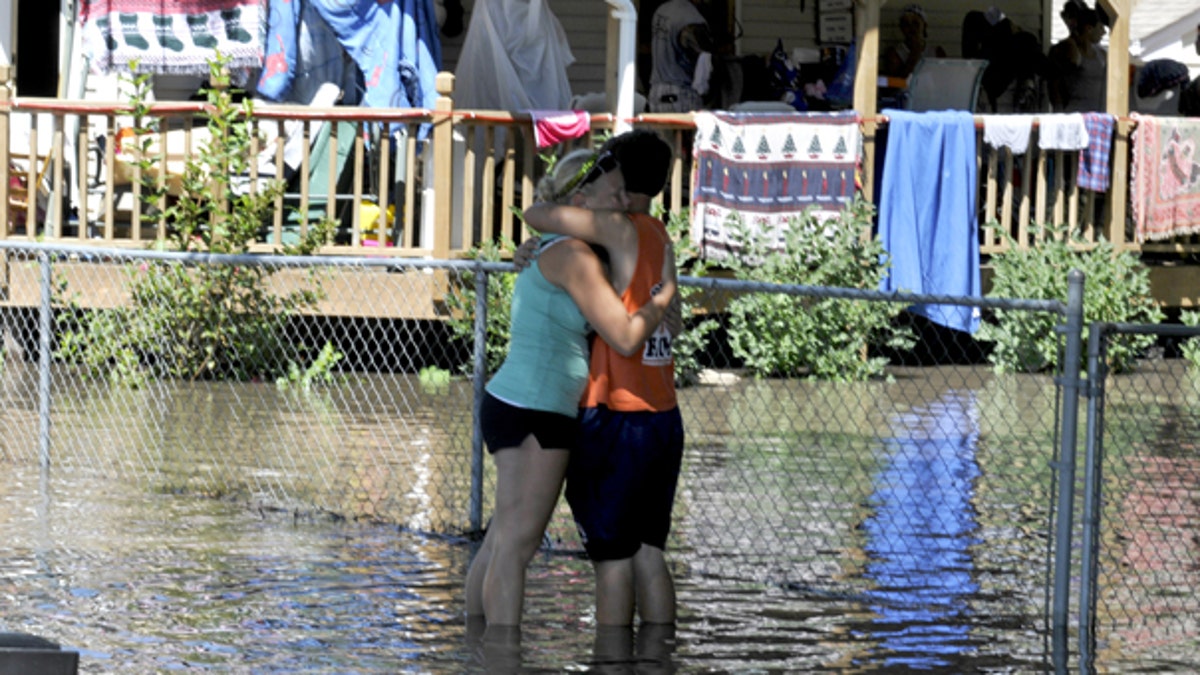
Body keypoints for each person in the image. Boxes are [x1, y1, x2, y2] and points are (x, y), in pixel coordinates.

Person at [463, 148, 677, 635]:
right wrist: (661, 299)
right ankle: (501, 659)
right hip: (535, 408)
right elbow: (624, 336)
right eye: (614, 191)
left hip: (521, 401)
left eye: (627, 189)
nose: (624, 199)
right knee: (516, 544)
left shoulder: (568, 249)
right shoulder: (575, 256)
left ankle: (473, 645)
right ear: (581, 198)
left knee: (501, 537)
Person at [520, 130, 685, 629]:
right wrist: (539, 250)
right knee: (649, 554)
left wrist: (540, 237)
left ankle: (611, 662)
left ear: (617, 176)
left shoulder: (615, 227)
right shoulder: (660, 236)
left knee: (612, 562)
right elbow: (672, 318)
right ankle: (660, 660)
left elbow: (536, 213)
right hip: (663, 415)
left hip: (614, 415)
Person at [648, 0, 714, 113]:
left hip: (656, 93)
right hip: (681, 94)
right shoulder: (691, 17)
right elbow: (704, 56)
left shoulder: (661, 10)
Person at [1048, 4, 1107, 112]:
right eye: (1100, 27)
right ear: (1089, 28)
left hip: (1097, 115)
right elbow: (1055, 84)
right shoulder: (1070, 48)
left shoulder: (1101, 54)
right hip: (1075, 113)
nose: (1104, 32)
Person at [881, 4, 946, 79]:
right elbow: (897, 83)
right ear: (901, 28)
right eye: (906, 24)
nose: (911, 28)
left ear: (924, 26)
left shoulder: (936, 52)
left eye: (915, 24)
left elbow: (943, 78)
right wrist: (915, 52)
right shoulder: (895, 53)